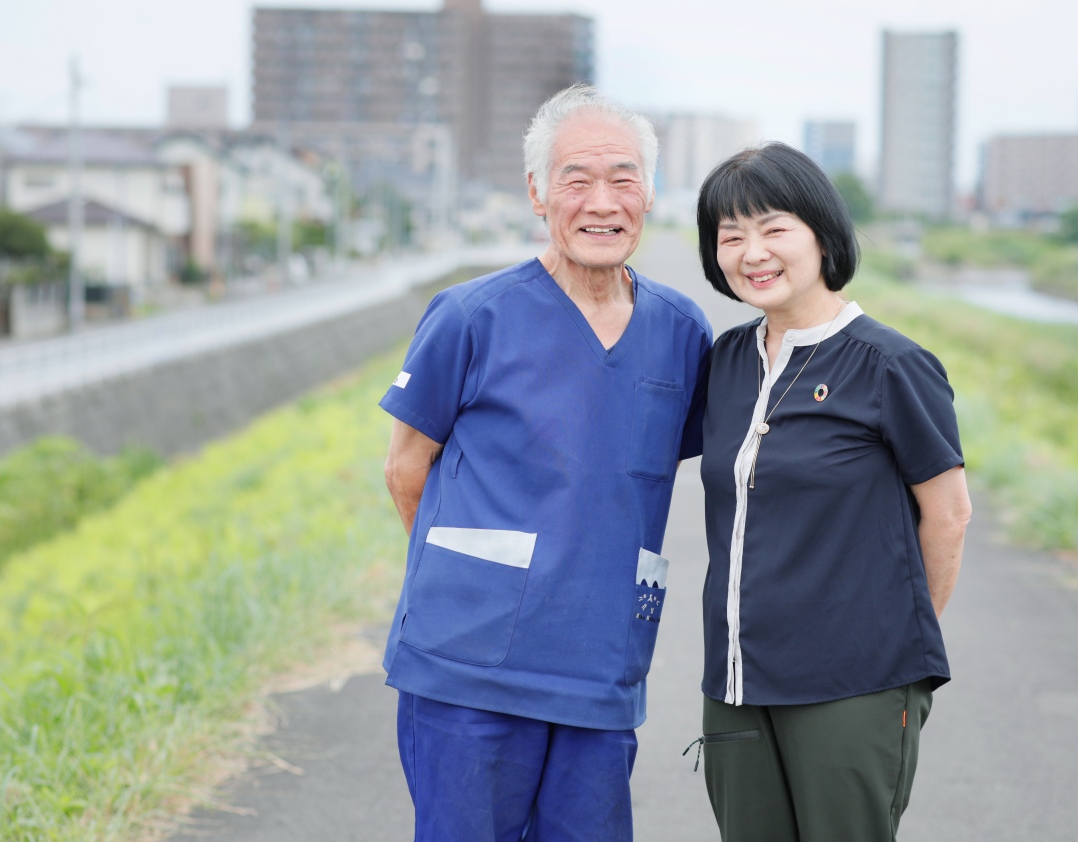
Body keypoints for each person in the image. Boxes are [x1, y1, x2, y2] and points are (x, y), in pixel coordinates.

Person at [378, 84, 712, 842]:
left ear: (650, 193)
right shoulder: (470, 317)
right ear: (536, 192)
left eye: (623, 178)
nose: (602, 201)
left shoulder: (680, 332)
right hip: (469, 668)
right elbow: (406, 469)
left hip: (599, 665)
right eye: (576, 179)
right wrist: (475, 582)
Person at [691, 142, 972, 841]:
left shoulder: (890, 364)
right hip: (734, 685)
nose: (751, 251)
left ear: (822, 234)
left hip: (852, 685)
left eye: (773, 228)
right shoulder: (726, 361)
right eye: (730, 235)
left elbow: (948, 515)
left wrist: (892, 654)